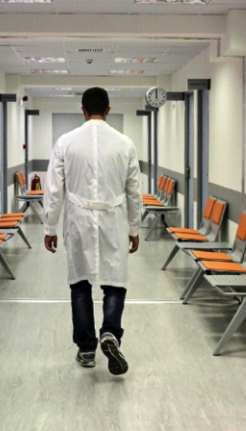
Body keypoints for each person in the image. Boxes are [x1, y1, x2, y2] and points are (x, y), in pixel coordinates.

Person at [43, 87, 142, 376]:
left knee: (80, 284)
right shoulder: (125, 143)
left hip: (79, 219)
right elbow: (134, 191)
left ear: (83, 111)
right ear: (108, 110)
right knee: (115, 282)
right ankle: (110, 332)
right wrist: (134, 227)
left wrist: (50, 226)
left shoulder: (66, 142)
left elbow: (53, 189)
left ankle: (87, 349)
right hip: (114, 219)